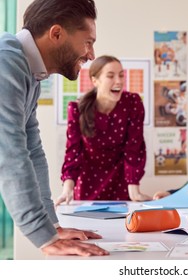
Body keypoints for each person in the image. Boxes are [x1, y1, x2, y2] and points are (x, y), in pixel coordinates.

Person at [0, 0, 109, 256]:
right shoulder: (6, 62)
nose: (91, 54)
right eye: (88, 42)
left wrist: (50, 225)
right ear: (56, 33)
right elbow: (9, 153)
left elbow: (32, 149)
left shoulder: (28, 72)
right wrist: (44, 237)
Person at [56, 55, 151, 205]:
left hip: (121, 182)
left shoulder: (133, 103)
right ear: (95, 80)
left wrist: (134, 186)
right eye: (110, 76)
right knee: (88, 226)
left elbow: (134, 147)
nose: (118, 81)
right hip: (87, 181)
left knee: (120, 225)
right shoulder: (77, 109)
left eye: (121, 75)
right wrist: (68, 188)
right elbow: (73, 151)